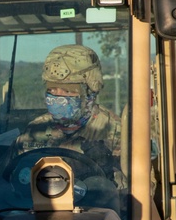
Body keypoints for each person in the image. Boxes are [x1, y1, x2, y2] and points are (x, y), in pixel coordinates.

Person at [12, 44, 122, 182]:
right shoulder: (35, 130)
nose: (58, 96)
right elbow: (9, 178)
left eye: (68, 91)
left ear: (89, 92)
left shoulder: (115, 130)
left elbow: (139, 189)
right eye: (52, 90)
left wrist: (106, 169)